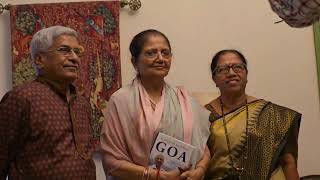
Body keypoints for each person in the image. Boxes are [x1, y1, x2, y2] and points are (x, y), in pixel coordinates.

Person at [100, 29, 211, 180]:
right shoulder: (121, 100)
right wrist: (154, 176)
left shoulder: (184, 100)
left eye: (165, 53)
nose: (160, 58)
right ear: (134, 61)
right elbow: (111, 161)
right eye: (151, 53)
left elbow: (201, 146)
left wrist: (200, 170)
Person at [0, 26, 96, 179]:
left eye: (77, 52)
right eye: (64, 50)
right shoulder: (21, 98)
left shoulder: (81, 101)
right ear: (40, 60)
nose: (74, 58)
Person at [204, 49, 301, 180]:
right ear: (214, 78)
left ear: (246, 74)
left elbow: (288, 163)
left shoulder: (273, 114)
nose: (232, 73)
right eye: (223, 69)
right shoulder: (203, 115)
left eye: (238, 67)